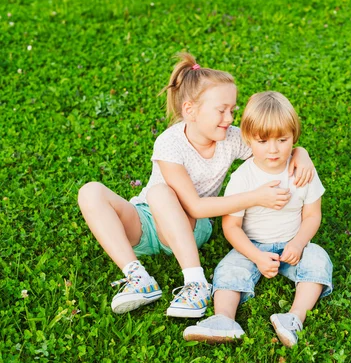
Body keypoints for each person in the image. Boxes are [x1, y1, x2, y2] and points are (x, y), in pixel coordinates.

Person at [77, 54, 315, 318]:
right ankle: (136, 276)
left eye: (232, 110)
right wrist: (255, 197)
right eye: (222, 110)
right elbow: (196, 204)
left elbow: (270, 149)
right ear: (190, 110)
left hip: (191, 227)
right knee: (91, 191)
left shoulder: (231, 138)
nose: (229, 118)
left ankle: (196, 283)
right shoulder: (169, 143)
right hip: (147, 221)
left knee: (160, 192)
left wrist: (299, 152)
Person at [183, 91, 333, 347]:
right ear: (248, 139)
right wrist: (256, 255)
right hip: (251, 245)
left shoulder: (303, 171)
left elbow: (311, 215)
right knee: (229, 269)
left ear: (294, 137)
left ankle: (294, 318)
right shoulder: (243, 177)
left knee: (319, 258)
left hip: (291, 244)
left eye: (282, 140)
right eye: (263, 141)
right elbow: (231, 226)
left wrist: (298, 244)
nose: (273, 149)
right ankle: (223, 319)